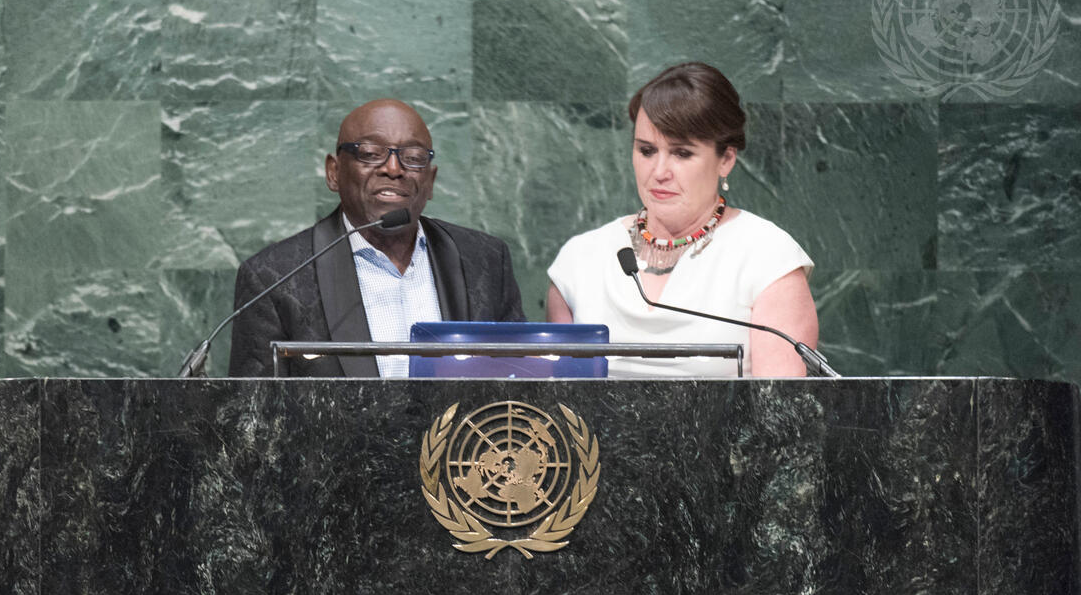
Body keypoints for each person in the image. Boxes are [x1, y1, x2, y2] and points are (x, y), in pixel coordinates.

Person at [546, 62, 818, 377]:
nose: (659, 172)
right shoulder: (579, 260)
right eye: (647, 151)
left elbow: (780, 406)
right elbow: (554, 399)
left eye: (682, 153)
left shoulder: (768, 257)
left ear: (726, 159)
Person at [228, 99, 525, 377]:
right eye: (370, 154)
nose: (393, 169)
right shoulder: (275, 278)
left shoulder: (484, 260)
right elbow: (253, 408)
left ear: (430, 181)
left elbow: (519, 380)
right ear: (334, 172)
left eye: (413, 158)